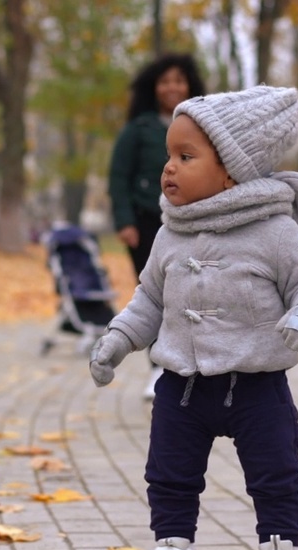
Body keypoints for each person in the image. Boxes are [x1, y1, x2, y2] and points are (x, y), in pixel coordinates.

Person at [90, 86, 298, 550]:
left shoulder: (275, 231)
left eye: (186, 156)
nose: (169, 168)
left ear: (231, 171)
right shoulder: (169, 234)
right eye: (168, 156)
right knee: (169, 474)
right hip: (181, 386)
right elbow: (149, 300)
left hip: (257, 385)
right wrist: (117, 340)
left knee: (276, 473)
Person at [108, 54, 207, 399]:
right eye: (165, 81)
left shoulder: (204, 125)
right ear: (154, 87)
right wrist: (124, 221)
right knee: (155, 296)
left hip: (192, 222)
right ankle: (158, 369)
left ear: (190, 83)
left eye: (179, 80)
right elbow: (119, 177)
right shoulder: (138, 130)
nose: (172, 87)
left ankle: (193, 366)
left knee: (188, 293)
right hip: (147, 223)